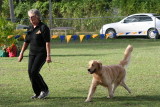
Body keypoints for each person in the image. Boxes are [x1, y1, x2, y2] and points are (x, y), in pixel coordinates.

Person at [18, 9, 52, 99]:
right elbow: (26, 42)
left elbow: (47, 42)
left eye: (32, 17)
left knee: (34, 72)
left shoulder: (44, 27)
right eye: (29, 17)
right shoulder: (30, 28)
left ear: (37, 16)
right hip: (32, 53)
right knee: (30, 72)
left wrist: (48, 55)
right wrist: (21, 53)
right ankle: (37, 93)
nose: (30, 19)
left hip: (41, 54)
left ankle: (44, 90)